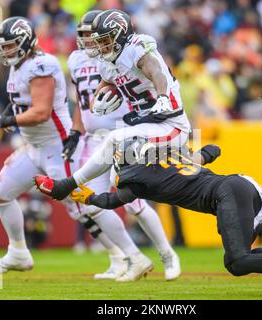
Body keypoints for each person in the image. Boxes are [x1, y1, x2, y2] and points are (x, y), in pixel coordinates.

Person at [35, 137, 262, 298]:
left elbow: (113, 200)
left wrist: (86, 196)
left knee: (239, 260)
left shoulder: (135, 176)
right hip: (239, 185)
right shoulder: (171, 157)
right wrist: (198, 154)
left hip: (227, 193)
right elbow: (214, 150)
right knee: (235, 263)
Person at [0, 16, 155, 282]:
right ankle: (18, 251)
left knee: (88, 207)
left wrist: (6, 120)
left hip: (58, 147)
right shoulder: (18, 66)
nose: (6, 51)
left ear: (26, 41)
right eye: (3, 46)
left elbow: (41, 111)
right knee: (1, 193)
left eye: (11, 45)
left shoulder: (41, 65)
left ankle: (133, 256)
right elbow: (20, 101)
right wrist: (9, 112)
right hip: (35, 147)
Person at [64, 10, 181, 281]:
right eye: (83, 36)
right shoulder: (76, 60)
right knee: (91, 203)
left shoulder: (120, 55)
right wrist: (76, 129)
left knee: (132, 201)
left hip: (124, 130)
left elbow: (144, 76)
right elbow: (84, 103)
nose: (90, 42)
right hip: (95, 138)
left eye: (96, 37)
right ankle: (134, 257)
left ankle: (166, 253)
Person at [41, 9, 192, 202]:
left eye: (106, 40)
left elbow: (155, 71)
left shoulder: (136, 50)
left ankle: (69, 184)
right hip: (145, 124)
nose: (102, 47)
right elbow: (106, 82)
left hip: (171, 124)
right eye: (100, 42)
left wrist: (163, 96)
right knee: (117, 178)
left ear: (121, 35)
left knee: (115, 139)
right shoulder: (105, 62)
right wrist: (98, 99)